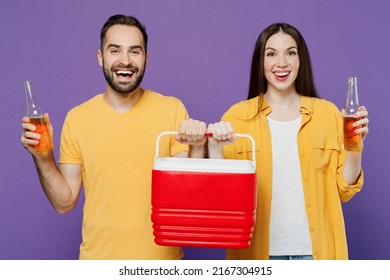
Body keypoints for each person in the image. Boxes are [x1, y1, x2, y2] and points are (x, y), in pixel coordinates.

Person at [21, 14, 207, 260]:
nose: (125, 61)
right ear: (101, 57)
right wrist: (43, 157)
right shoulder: (78, 118)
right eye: (115, 50)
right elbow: (63, 202)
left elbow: (186, 197)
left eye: (135, 51)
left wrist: (198, 146)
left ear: (146, 59)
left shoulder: (172, 110)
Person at [205, 23, 369, 260]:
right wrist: (215, 148)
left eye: (290, 53)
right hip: (257, 257)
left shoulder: (328, 113)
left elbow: (345, 190)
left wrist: (355, 145)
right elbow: (225, 201)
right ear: (260, 62)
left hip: (318, 256)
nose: (281, 63)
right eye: (271, 54)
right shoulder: (236, 117)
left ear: (300, 60)